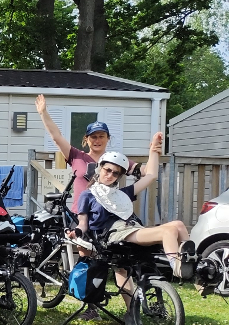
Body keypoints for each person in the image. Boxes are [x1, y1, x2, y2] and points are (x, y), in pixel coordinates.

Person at [73, 132, 195, 280]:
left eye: (116, 173)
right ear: (100, 169)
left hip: (131, 228)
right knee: (168, 231)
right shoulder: (88, 195)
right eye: (108, 170)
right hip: (113, 235)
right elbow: (83, 223)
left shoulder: (122, 194)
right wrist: (77, 232)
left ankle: (196, 269)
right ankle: (178, 267)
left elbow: (151, 175)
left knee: (179, 225)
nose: (110, 175)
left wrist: (153, 150)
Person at [35, 96, 132, 212]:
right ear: (86, 139)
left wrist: (154, 151)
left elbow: (146, 171)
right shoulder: (76, 156)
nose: (97, 140)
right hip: (79, 215)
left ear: (108, 139)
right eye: (93, 137)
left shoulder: (116, 160)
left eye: (101, 136)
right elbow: (57, 137)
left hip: (106, 215)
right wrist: (43, 113)